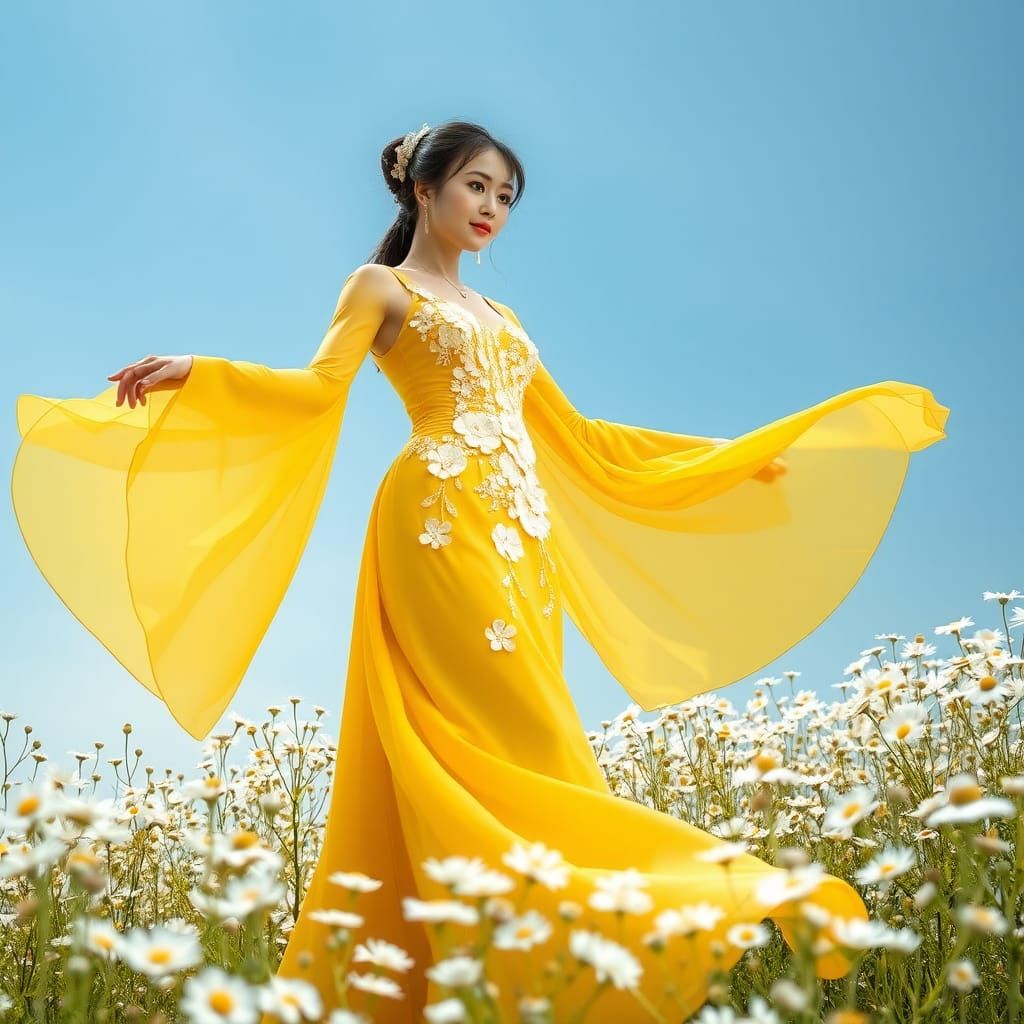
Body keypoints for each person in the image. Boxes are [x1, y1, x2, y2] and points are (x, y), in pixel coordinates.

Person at [11, 119, 949, 1022]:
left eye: (505, 194)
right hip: (437, 524)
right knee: (497, 737)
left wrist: (727, 453)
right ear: (424, 188)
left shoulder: (503, 316)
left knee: (534, 745)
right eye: (476, 185)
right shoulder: (378, 288)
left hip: (520, 540)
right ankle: (617, 928)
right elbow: (311, 390)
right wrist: (198, 368)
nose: (492, 205)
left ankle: (522, 966)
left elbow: (580, 437)